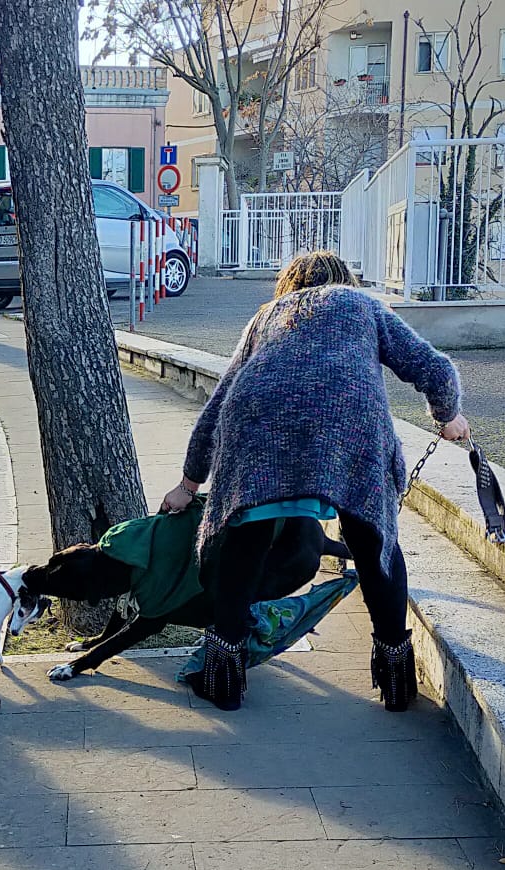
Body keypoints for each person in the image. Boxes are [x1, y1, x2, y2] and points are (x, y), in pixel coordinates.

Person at [160, 251, 469, 712]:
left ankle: (224, 679)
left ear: (288, 285)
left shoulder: (266, 317)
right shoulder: (360, 304)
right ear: (344, 280)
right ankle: (397, 684)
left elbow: (216, 405)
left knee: (245, 537)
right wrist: (448, 416)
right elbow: (435, 369)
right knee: (373, 542)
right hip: (347, 424)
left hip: (258, 420)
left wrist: (188, 484)